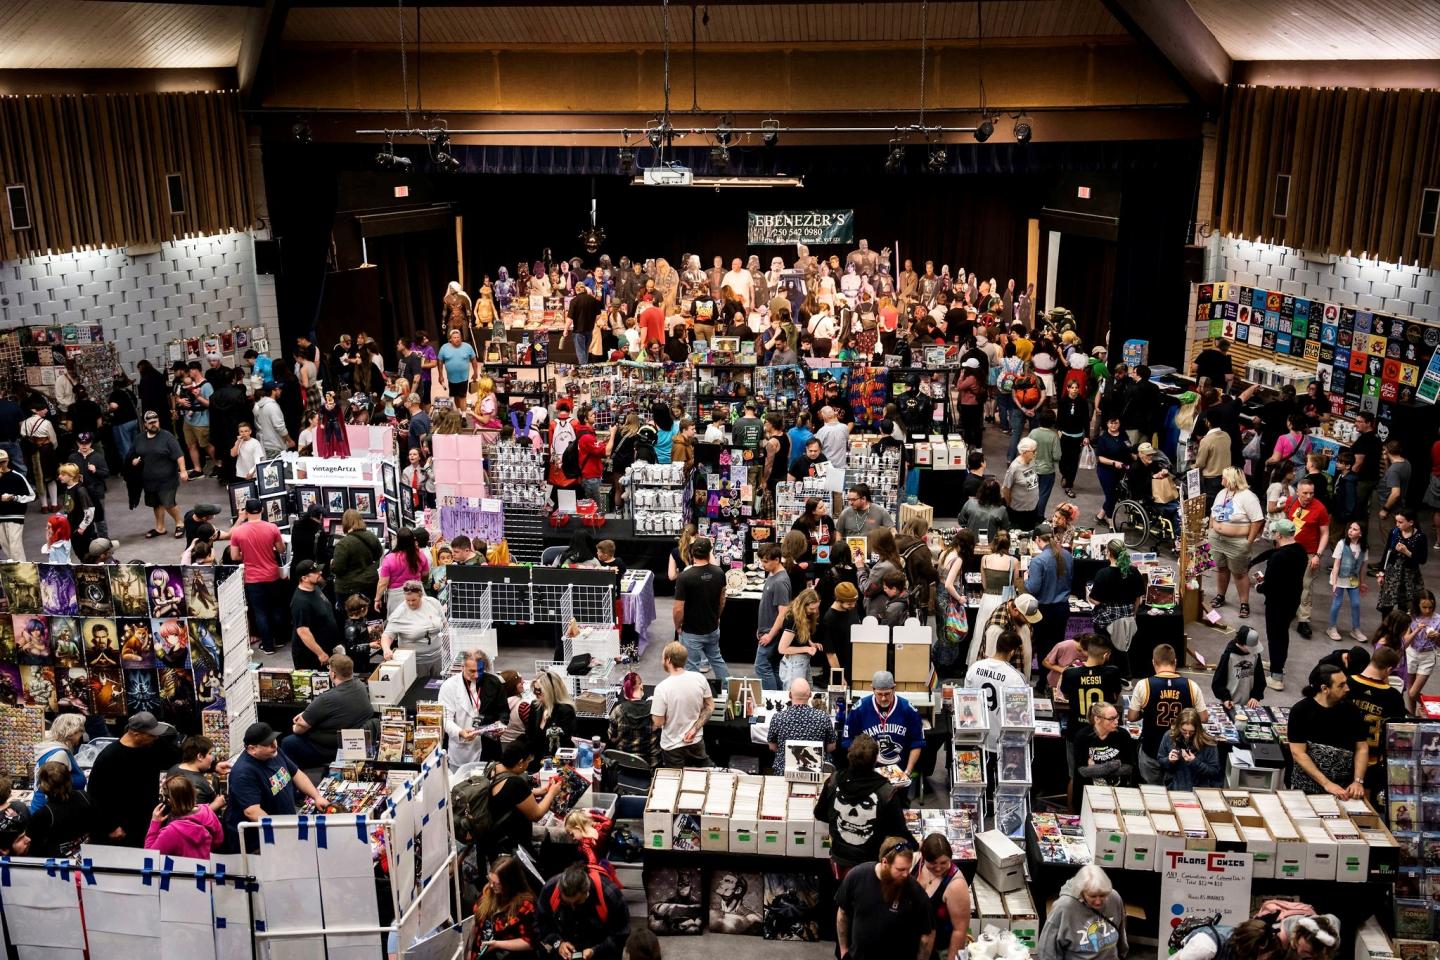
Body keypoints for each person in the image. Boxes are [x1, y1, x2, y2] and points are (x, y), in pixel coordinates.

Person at [814, 734, 910, 877]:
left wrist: (840, 819)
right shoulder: (886, 791)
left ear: (850, 755)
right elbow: (898, 829)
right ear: (876, 758)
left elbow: (820, 813)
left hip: (839, 857)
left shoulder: (834, 780)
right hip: (870, 863)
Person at [224, 722, 328, 851]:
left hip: (283, 828)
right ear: (252, 749)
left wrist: (316, 796)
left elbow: (296, 773)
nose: (274, 744)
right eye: (267, 743)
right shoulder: (244, 773)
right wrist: (280, 833)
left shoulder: (274, 752)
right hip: (260, 843)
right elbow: (252, 811)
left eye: (274, 739)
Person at [86, 711, 182, 847]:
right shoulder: (109, 757)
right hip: (122, 829)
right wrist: (110, 826)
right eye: (152, 735)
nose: (156, 738)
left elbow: (179, 756)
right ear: (136, 734)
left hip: (147, 823)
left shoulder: (153, 745)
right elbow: (96, 795)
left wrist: (213, 765)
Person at [835, 836, 935, 960]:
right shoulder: (857, 876)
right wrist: (843, 950)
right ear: (884, 862)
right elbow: (842, 914)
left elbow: (927, 935)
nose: (906, 874)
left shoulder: (914, 891)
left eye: (908, 869)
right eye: (900, 869)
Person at [1126, 644, 1207, 784]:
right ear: (1175, 661)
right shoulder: (1191, 685)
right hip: (1180, 751)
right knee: (1177, 791)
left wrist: (1147, 713)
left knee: (1153, 792)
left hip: (1152, 749)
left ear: (1153, 662)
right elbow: (1203, 717)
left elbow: (1132, 717)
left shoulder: (1143, 685)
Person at [1287, 664, 1367, 798]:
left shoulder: (1351, 711)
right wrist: (1327, 784)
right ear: (1325, 689)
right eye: (1341, 685)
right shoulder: (1301, 711)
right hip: (1307, 788)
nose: (1347, 688)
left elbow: (1362, 748)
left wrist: (1358, 781)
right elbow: (1298, 753)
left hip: (1344, 790)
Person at [281, 653, 372, 769]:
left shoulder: (326, 699)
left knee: (288, 742)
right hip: (355, 742)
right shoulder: (361, 686)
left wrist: (296, 725)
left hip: (331, 749)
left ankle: (295, 779)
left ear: (333, 674)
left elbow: (298, 729)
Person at [1251, 518, 1309, 688]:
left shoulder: (1278, 558)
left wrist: (1259, 587)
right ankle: (1276, 663)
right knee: (1281, 634)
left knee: (1276, 637)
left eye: (1274, 533)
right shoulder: (1300, 551)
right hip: (1292, 601)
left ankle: (1276, 677)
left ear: (1279, 535)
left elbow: (1269, 585)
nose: (1273, 535)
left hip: (1277, 603)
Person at [1345, 645, 1407, 794]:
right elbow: (1398, 733)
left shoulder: (1345, 682)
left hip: (1341, 753)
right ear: (1388, 670)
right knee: (1362, 808)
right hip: (1370, 762)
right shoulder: (1393, 697)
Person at [535, 862, 629, 960]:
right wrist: (558, 943)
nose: (572, 907)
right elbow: (540, 925)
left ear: (587, 891)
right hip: (565, 952)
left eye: (577, 902)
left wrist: (595, 950)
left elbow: (621, 935)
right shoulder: (550, 890)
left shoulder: (610, 894)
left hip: (601, 949)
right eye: (566, 903)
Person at [227, 497, 287, 652]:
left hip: (252, 578)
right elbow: (282, 550)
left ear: (246, 512)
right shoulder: (272, 528)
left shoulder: (238, 532)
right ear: (263, 510)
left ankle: (267, 646)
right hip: (272, 575)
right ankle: (280, 639)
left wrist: (247, 556)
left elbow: (234, 556)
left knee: (260, 612)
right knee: (276, 609)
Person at [842, 671, 925, 778]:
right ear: (872, 689)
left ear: (894, 688)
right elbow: (847, 741)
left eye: (887, 694)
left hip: (899, 773)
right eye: (879, 694)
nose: (883, 698)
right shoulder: (859, 709)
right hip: (868, 774)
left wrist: (907, 772)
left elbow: (917, 742)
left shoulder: (908, 709)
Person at [1037, 865, 1128, 960]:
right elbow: (1047, 950)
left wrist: (1122, 954)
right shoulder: (1063, 907)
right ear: (1081, 892)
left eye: (1102, 895)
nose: (1098, 901)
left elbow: (1121, 931)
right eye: (1092, 896)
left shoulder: (1114, 897)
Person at [672, 537, 729, 682]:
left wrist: (677, 626)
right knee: (717, 660)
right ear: (710, 552)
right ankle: (729, 692)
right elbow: (722, 600)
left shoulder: (685, 577)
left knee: (691, 667)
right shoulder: (719, 573)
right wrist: (717, 617)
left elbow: (678, 608)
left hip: (691, 630)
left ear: (691, 553)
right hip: (712, 627)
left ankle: (695, 697)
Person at [438, 650, 505, 770]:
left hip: (489, 746)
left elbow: (504, 710)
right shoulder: (449, 687)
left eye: (480, 671)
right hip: (463, 747)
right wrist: (460, 732)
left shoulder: (494, 683)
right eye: (472, 671)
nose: (477, 675)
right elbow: (445, 719)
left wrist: (501, 723)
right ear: (462, 667)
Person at [650, 642, 713, 767]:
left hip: (671, 746)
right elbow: (710, 706)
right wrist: (694, 729)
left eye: (663, 658)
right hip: (696, 741)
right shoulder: (700, 679)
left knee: (676, 781)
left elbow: (658, 722)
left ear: (668, 660)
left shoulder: (662, 688)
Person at [964, 630, 1029, 751]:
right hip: (1001, 741)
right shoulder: (1016, 678)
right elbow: (1019, 717)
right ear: (1012, 652)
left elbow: (967, 703)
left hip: (976, 737)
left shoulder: (974, 667)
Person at [1285, 479, 1331, 639]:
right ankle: (1289, 611)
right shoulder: (1290, 503)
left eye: (1311, 493)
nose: (1309, 496)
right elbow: (1285, 523)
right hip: (1289, 551)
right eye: (1305, 493)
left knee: (1306, 586)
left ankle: (1303, 620)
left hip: (1309, 554)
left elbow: (1325, 533)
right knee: (1288, 583)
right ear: (1297, 492)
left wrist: (1318, 555)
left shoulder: (1320, 508)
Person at [914, 833, 972, 960]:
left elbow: (960, 931)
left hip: (940, 951)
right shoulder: (917, 862)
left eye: (944, 862)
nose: (939, 868)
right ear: (924, 858)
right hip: (915, 945)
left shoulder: (955, 885)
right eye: (933, 863)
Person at [132, 409, 189, 538]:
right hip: (149, 479)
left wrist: (183, 470)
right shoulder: (139, 438)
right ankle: (160, 527)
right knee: (156, 504)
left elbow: (179, 455)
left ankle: (180, 523)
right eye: (151, 422)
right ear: (145, 424)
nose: (154, 424)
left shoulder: (167, 437)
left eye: (156, 422)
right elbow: (135, 453)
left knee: (168, 503)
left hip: (167, 479)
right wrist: (134, 460)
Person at [21, 761, 96, 858]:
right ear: (69, 779)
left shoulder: (44, 814)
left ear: (43, 784)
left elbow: (32, 848)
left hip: (59, 867)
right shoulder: (84, 796)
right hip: (88, 857)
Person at [471, 854, 539, 960]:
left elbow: (530, 942)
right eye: (490, 880)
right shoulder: (489, 891)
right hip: (480, 952)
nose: (491, 886)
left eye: (496, 883)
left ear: (509, 883)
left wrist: (497, 944)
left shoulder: (525, 904)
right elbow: (476, 921)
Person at [144, 774, 223, 860]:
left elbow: (150, 857)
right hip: (204, 869)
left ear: (169, 801)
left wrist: (155, 823)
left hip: (181, 872)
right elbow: (218, 841)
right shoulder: (208, 812)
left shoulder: (172, 831)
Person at [767, 677, 836, 775]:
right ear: (810, 695)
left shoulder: (778, 718)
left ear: (790, 695)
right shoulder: (823, 717)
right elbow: (831, 747)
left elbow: (772, 747)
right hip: (817, 772)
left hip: (785, 772)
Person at [379, 579, 447, 677]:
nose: (410, 603)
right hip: (415, 662)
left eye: (414, 600)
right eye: (407, 600)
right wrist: (386, 649)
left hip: (438, 657)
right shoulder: (399, 613)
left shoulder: (433, 603)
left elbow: (444, 625)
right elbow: (387, 635)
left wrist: (449, 648)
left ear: (421, 596)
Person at [1071, 700, 1137, 792]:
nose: (1116, 722)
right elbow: (1083, 771)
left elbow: (1128, 768)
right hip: (1089, 791)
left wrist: (1095, 769)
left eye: (1117, 717)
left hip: (1117, 790)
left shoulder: (1122, 734)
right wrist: (1111, 766)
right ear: (1097, 719)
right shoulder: (1083, 736)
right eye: (1111, 719)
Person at [1377, 507, 1428, 618]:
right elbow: (1387, 552)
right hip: (1392, 573)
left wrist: (1407, 552)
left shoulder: (1420, 537)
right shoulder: (1394, 532)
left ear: (1411, 522)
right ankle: (1386, 632)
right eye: (1396, 521)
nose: (1397, 524)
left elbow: (1422, 559)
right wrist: (1381, 571)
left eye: (1400, 522)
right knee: (1386, 606)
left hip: (1409, 575)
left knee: (1405, 607)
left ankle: (1402, 633)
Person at [288, 558, 338, 671]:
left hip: (326, 649)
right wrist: (320, 653)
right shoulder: (300, 602)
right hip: (311, 657)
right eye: (315, 572)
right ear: (304, 578)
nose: (320, 572)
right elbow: (303, 632)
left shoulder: (315, 588)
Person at [31, 714, 87, 811]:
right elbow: (54, 790)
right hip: (51, 815)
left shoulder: (52, 748)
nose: (82, 734)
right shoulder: (59, 755)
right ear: (71, 733)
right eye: (80, 731)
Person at [331, 509, 384, 613]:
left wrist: (332, 564)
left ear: (345, 523)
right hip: (370, 583)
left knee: (349, 617)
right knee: (368, 615)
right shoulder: (372, 536)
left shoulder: (343, 544)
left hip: (348, 588)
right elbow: (378, 555)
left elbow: (338, 569)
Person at [754, 543, 790, 691]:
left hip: (771, 633)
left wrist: (769, 635)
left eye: (766, 561)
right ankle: (780, 700)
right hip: (766, 630)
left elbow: (783, 613)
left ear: (777, 560)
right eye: (762, 561)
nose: (763, 565)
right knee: (773, 667)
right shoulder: (773, 574)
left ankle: (771, 698)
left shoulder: (780, 582)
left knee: (761, 666)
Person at [1156, 707, 1220, 789]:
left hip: (1198, 790)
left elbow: (1214, 771)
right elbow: (1160, 760)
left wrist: (1195, 762)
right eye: (1184, 730)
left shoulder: (1208, 743)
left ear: (1198, 729)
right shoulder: (1169, 736)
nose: (1187, 735)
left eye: (1192, 731)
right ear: (1179, 726)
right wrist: (1169, 760)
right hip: (1174, 788)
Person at [606, 671, 658, 767]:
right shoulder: (654, 709)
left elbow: (612, 739)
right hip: (650, 764)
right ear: (641, 686)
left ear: (625, 689)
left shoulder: (618, 711)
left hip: (624, 763)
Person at [1401, 588, 1439, 713]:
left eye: (1431, 607)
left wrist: (1437, 636)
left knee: (1413, 693)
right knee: (1410, 689)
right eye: (1424, 607)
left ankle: (1431, 706)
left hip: (1427, 656)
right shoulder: (1411, 617)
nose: (1428, 610)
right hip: (1411, 653)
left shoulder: (1438, 620)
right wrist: (1416, 629)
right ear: (1418, 605)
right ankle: (1412, 717)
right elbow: (1405, 641)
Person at [377, 527, 430, 614]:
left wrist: (377, 599)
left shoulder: (389, 558)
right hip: (417, 593)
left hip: (396, 597)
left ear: (398, 540)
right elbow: (425, 574)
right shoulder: (420, 555)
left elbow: (383, 583)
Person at [1212, 625, 1266, 711]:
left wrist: (1255, 696)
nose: (1253, 650)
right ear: (1242, 644)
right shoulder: (1229, 656)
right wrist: (1225, 698)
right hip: (1230, 703)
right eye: (1250, 648)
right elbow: (1217, 682)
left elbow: (1260, 679)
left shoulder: (1255, 654)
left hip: (1249, 704)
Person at [777, 588, 825, 684]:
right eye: (812, 609)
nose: (815, 611)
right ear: (803, 605)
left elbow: (800, 636)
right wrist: (806, 649)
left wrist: (811, 643)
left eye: (816, 608)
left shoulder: (803, 616)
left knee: (806, 692)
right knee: (795, 694)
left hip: (802, 662)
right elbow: (782, 649)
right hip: (794, 664)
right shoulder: (793, 620)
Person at [166, 735, 224, 808]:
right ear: (199, 756)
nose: (212, 757)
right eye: (210, 753)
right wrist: (216, 804)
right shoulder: (195, 785)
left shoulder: (174, 768)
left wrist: (214, 767)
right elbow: (192, 816)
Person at [0, 448, 35, 561]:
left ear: (8, 460)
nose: (1, 464)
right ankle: (15, 574)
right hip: (0, 517)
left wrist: (15, 498)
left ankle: (23, 575)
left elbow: (31, 495)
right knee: (6, 548)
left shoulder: (17, 476)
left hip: (15, 516)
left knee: (15, 548)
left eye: (3, 461)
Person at [439, 327, 479, 411]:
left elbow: (474, 361)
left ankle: (463, 416)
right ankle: (460, 411)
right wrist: (440, 375)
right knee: (455, 397)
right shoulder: (444, 348)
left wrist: (475, 373)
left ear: (461, 338)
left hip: (463, 377)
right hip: (451, 378)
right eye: (454, 337)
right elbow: (440, 362)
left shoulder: (467, 347)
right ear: (450, 339)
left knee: (462, 397)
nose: (457, 339)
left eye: (458, 337)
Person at [1377, 439, 1412, 525]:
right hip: (1399, 505)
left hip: (1391, 507)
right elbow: (1389, 476)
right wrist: (1386, 461)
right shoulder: (1406, 462)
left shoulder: (1394, 470)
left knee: (1387, 532)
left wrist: (1385, 509)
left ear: (1386, 451)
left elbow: (1395, 493)